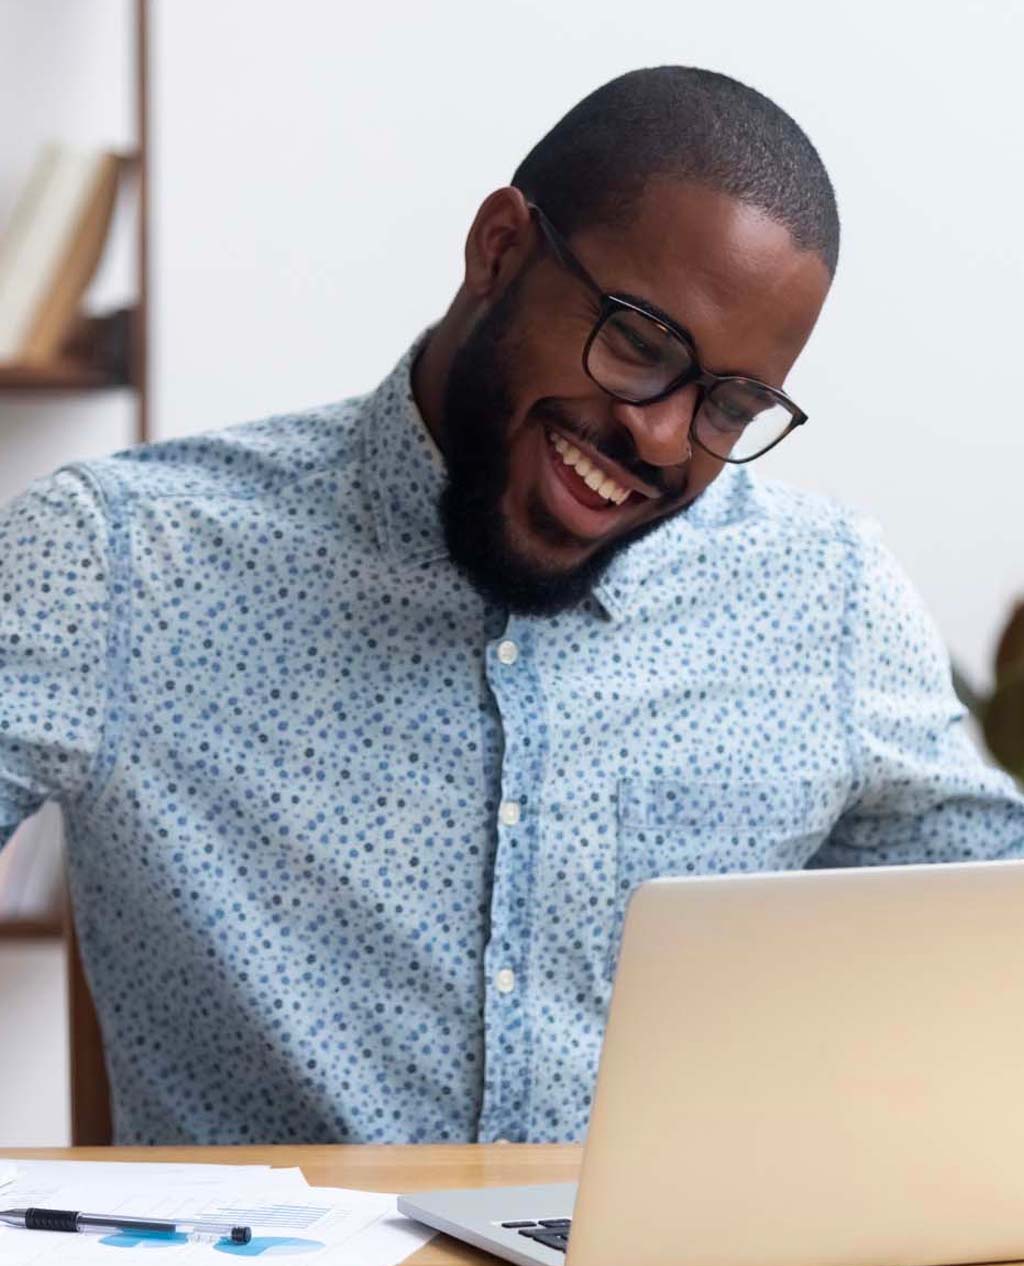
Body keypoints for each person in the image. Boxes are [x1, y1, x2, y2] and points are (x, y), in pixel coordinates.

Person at [1, 66, 1021, 1146]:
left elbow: (989, 947)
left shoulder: (826, 595)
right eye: (639, 343)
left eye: (728, 406)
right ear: (497, 249)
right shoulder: (118, 558)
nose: (661, 437)